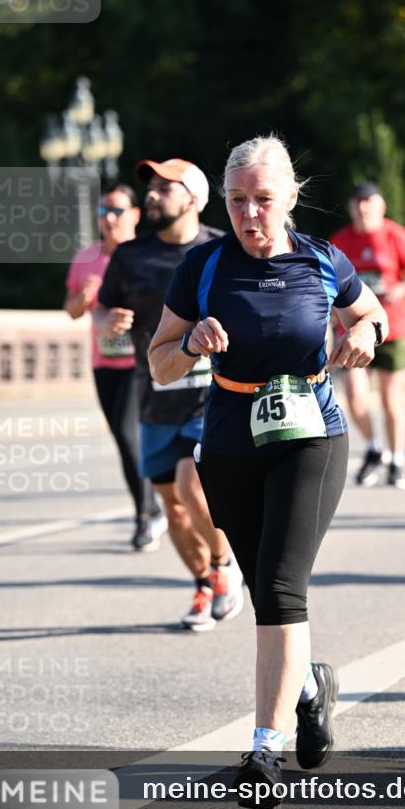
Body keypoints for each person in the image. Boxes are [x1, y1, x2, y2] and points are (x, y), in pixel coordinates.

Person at [149, 135, 387, 803]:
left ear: (289, 196)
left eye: (261, 199)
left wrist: (364, 335)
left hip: (311, 436)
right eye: (235, 201)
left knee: (282, 591)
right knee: (264, 592)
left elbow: (371, 312)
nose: (249, 214)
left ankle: (263, 753)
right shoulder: (202, 267)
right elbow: (158, 360)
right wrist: (190, 342)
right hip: (229, 439)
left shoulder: (322, 260)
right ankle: (310, 688)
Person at [95, 158, 243, 629]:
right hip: (154, 395)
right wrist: (107, 323)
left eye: (165, 188)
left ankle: (225, 566)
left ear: (194, 200)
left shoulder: (224, 249)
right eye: (151, 187)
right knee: (171, 507)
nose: (152, 195)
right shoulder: (129, 256)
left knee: (190, 487)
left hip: (211, 397)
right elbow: (100, 312)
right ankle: (204, 582)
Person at [64, 183, 166, 551]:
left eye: (117, 211)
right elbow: (72, 311)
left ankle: (148, 512)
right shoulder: (85, 259)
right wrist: (86, 298)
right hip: (105, 362)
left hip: (146, 362)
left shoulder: (149, 256)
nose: (108, 218)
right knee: (124, 440)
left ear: (136, 215)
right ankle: (151, 506)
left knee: (135, 435)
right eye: (103, 212)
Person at [330, 182, 405, 488]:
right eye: (358, 202)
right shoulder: (340, 241)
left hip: (392, 327)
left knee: (391, 399)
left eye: (369, 201)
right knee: (355, 398)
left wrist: (403, 287)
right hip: (351, 330)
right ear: (351, 207)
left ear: (381, 205)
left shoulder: (395, 235)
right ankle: (375, 448)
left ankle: (397, 461)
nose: (363, 208)